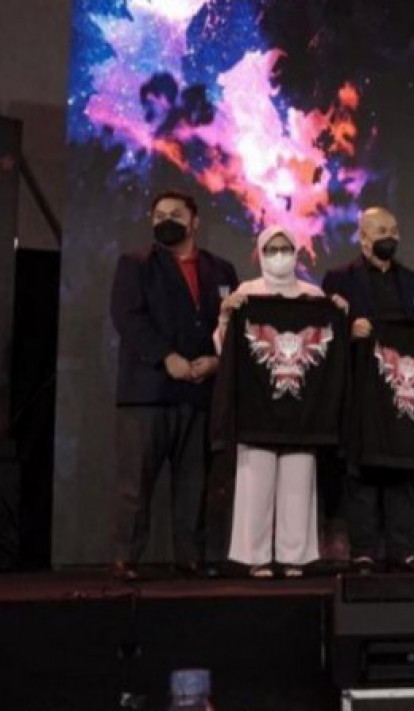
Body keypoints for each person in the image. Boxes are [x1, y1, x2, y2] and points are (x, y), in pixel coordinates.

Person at [109, 190, 239, 581]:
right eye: (159, 215)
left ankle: (190, 556)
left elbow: (233, 327)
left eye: (176, 214)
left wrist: (217, 360)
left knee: (193, 483)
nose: (167, 220)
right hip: (148, 392)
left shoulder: (221, 270)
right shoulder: (136, 264)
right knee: (136, 482)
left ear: (194, 222)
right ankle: (126, 558)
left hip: (199, 391)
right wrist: (167, 358)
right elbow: (128, 318)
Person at [212, 226, 348, 578]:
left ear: (296, 253)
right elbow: (226, 350)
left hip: (303, 407)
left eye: (285, 248)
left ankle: (294, 556)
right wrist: (226, 316)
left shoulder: (313, 295)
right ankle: (255, 556)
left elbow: (330, 345)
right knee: (255, 481)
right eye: (271, 249)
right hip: (256, 403)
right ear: (260, 253)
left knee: (298, 482)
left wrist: (337, 313)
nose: (279, 255)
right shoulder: (247, 293)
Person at [321, 207, 414, 574]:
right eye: (381, 230)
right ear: (363, 238)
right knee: (361, 469)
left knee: (402, 466)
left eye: (394, 230)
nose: (390, 236)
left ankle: (403, 548)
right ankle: (364, 549)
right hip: (360, 384)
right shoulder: (339, 278)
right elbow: (324, 331)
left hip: (402, 387)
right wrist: (348, 329)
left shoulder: (413, 281)